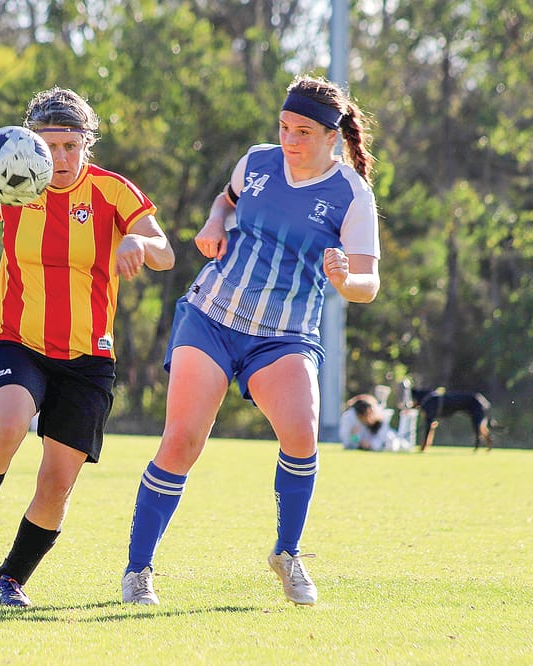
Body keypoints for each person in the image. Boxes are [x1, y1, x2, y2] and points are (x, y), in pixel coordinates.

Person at [0, 87, 174, 607]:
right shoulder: (15, 181)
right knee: (7, 424)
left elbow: (164, 252)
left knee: (56, 481)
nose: (61, 158)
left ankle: (12, 578)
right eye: (50, 146)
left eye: (71, 145)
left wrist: (140, 242)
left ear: (86, 143)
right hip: (15, 339)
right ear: (31, 145)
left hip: (89, 358)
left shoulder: (113, 193)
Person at [121, 75, 380, 607]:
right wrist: (214, 222)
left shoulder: (352, 194)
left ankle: (287, 554)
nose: (290, 140)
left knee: (302, 435)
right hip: (211, 314)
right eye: (284, 127)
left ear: (332, 136)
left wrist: (343, 280)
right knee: (182, 440)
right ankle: (138, 570)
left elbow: (368, 284)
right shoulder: (256, 161)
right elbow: (227, 198)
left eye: (303, 131)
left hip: (283, 335)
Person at [339, 393, 413, 452]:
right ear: (360, 415)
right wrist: (357, 439)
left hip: (392, 443)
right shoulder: (349, 418)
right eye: (368, 415)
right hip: (377, 446)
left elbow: (381, 440)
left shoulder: (379, 420)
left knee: (406, 446)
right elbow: (348, 443)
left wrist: (370, 445)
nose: (371, 417)